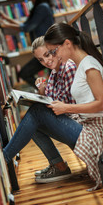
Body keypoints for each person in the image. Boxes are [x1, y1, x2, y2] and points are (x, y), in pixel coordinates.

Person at [3, 23, 103, 191]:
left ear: (67, 44)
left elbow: (102, 104)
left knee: (36, 113)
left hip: (93, 132)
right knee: (34, 119)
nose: (51, 57)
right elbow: (56, 102)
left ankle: (3, 158)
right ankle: (57, 166)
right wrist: (42, 92)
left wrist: (65, 108)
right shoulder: (73, 66)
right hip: (83, 124)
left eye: (52, 52)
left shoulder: (81, 66)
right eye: (43, 58)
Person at [31, 36, 76, 181]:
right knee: (33, 122)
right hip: (67, 120)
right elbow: (48, 101)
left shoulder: (67, 68)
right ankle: (58, 166)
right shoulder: (54, 73)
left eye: (47, 54)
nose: (46, 62)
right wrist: (42, 89)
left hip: (76, 122)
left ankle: (6, 155)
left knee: (33, 119)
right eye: (41, 60)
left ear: (54, 49)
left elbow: (65, 105)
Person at [0, 0, 54, 87]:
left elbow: (27, 27)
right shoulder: (40, 7)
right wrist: (7, 20)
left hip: (47, 50)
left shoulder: (42, 7)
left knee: (25, 73)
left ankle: (46, 92)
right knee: (50, 76)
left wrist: (5, 25)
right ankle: (47, 91)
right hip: (44, 49)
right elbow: (26, 24)